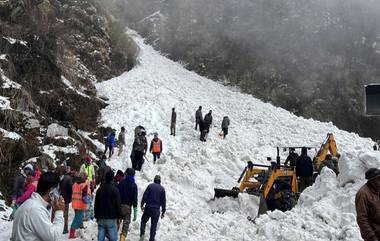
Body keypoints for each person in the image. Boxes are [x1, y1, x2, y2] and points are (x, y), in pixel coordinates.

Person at [11, 172, 65, 241]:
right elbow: (54, 237)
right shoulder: (35, 209)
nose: (59, 194)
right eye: (58, 191)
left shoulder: (32, 204)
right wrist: (59, 211)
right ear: (52, 191)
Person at [95, 170, 122, 241]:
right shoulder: (115, 190)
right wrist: (119, 216)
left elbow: (96, 204)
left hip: (101, 217)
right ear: (112, 178)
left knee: (100, 236)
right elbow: (118, 204)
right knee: (113, 238)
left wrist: (96, 216)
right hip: (111, 218)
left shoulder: (99, 189)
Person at [356, 168, 380, 241]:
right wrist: (371, 237)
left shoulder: (378, 188)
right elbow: (362, 219)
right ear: (371, 181)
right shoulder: (363, 194)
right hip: (375, 234)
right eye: (378, 179)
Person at [140, 175, 166, 241]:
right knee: (154, 225)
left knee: (143, 220)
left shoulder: (150, 186)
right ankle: (151, 239)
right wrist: (163, 211)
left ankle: (142, 234)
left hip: (148, 207)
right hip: (156, 210)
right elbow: (163, 201)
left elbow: (145, 196)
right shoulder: (162, 189)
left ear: (154, 179)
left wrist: (142, 205)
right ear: (160, 181)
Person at [118, 168, 138, 241]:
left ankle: (112, 236)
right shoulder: (134, 186)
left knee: (117, 222)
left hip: (119, 206)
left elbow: (117, 194)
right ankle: (122, 239)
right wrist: (135, 210)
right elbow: (135, 199)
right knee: (126, 225)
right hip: (128, 208)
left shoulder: (121, 182)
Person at [70, 173, 90, 239]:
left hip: (74, 202)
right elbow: (85, 194)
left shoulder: (75, 184)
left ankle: (81, 226)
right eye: (86, 177)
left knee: (79, 216)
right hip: (80, 203)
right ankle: (71, 234)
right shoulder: (84, 185)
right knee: (77, 217)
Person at [58, 165, 73, 234]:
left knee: (62, 214)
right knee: (63, 214)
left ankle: (63, 228)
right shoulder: (67, 178)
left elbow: (70, 189)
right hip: (62, 198)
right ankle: (63, 228)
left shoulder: (65, 178)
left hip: (62, 198)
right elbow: (70, 189)